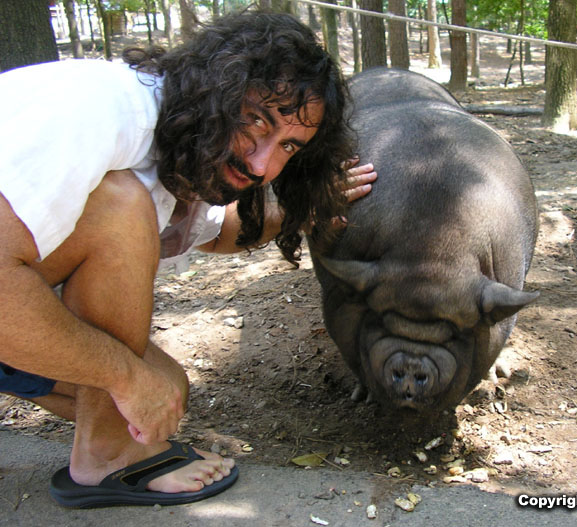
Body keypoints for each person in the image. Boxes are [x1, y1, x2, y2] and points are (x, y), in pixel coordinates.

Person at [0, 10, 376, 508]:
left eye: (288, 145)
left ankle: (100, 425)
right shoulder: (101, 110)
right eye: (255, 121)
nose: (264, 164)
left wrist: (306, 207)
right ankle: (109, 458)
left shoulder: (181, 149)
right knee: (120, 211)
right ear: (214, 87)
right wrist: (125, 376)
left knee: (165, 394)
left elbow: (222, 233)